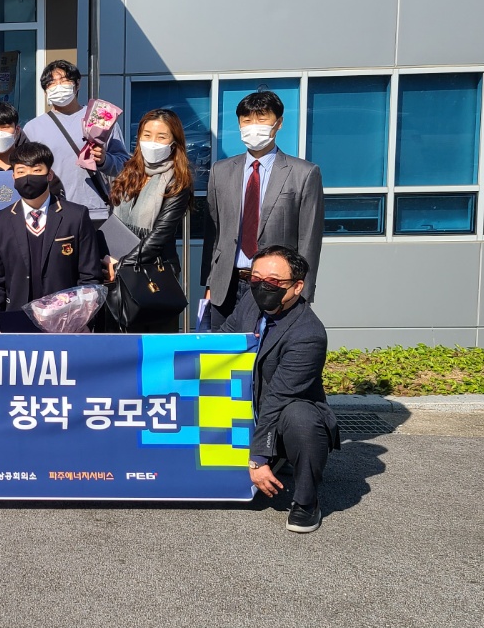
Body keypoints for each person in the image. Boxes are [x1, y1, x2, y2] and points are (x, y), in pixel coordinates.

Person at [219, 245, 339, 534]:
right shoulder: (250, 302)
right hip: (245, 403)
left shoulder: (308, 334)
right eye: (255, 278)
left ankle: (306, 502)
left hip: (281, 414)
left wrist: (258, 459)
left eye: (273, 281)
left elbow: (278, 399)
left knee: (301, 418)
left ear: (297, 286)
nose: (262, 287)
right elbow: (223, 340)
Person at [201, 90, 324, 329]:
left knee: (267, 349)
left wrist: (303, 293)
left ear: (279, 123)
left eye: (262, 118)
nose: (253, 126)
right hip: (226, 286)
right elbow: (213, 233)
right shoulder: (220, 171)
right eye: (247, 120)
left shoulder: (304, 173)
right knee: (221, 349)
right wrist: (209, 284)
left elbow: (309, 240)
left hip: (275, 287)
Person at [0, 141, 102, 331]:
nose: (28, 177)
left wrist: (80, 321)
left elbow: (89, 277)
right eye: (21, 171)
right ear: (13, 176)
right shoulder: (0, 222)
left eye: (36, 170)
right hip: (16, 322)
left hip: (66, 323)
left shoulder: (75, 216)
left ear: (49, 174)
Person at [104, 109, 194, 333]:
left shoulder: (177, 180)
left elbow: (161, 234)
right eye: (147, 135)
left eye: (161, 137)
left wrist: (123, 264)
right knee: (117, 338)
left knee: (152, 341)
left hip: (153, 271)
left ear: (174, 142)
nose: (152, 142)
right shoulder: (128, 171)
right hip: (116, 269)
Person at [20, 59, 128, 222]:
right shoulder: (33, 128)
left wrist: (104, 160)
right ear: (46, 91)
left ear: (77, 84)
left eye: (64, 80)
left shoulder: (100, 118)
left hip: (95, 212)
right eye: (51, 83)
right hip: (52, 212)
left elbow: (124, 166)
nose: (58, 86)